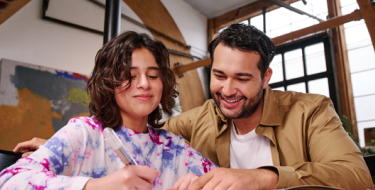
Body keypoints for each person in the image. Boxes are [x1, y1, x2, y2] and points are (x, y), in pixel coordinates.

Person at [11, 24, 374, 190]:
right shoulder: (198, 120)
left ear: (266, 78)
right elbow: (133, 137)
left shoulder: (310, 111)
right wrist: (63, 145)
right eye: (218, 75)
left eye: (243, 79)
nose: (227, 90)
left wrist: (262, 177)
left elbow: (357, 178)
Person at [0, 31, 216, 190]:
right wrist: (95, 186)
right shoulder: (83, 133)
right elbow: (9, 180)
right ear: (108, 82)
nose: (144, 84)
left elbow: (226, 182)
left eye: (152, 75)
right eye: (129, 75)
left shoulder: (174, 149)